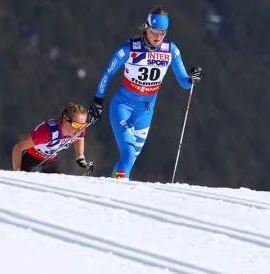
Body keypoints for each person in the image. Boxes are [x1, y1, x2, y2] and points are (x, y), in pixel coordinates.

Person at [86, 5, 203, 180]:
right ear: (146, 28)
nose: (158, 36)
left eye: (163, 32)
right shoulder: (128, 49)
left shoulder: (171, 50)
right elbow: (108, 73)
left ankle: (111, 185)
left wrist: (192, 79)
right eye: (155, 31)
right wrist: (98, 101)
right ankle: (119, 194)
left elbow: (184, 82)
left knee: (130, 158)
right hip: (122, 106)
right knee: (128, 153)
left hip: (146, 111)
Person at [12, 102, 93, 174]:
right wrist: (17, 172)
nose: (80, 129)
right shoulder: (47, 133)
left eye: (83, 126)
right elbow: (18, 147)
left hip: (51, 160)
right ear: (65, 121)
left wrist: (80, 157)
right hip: (31, 159)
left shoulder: (78, 130)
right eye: (76, 125)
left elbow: (80, 137)